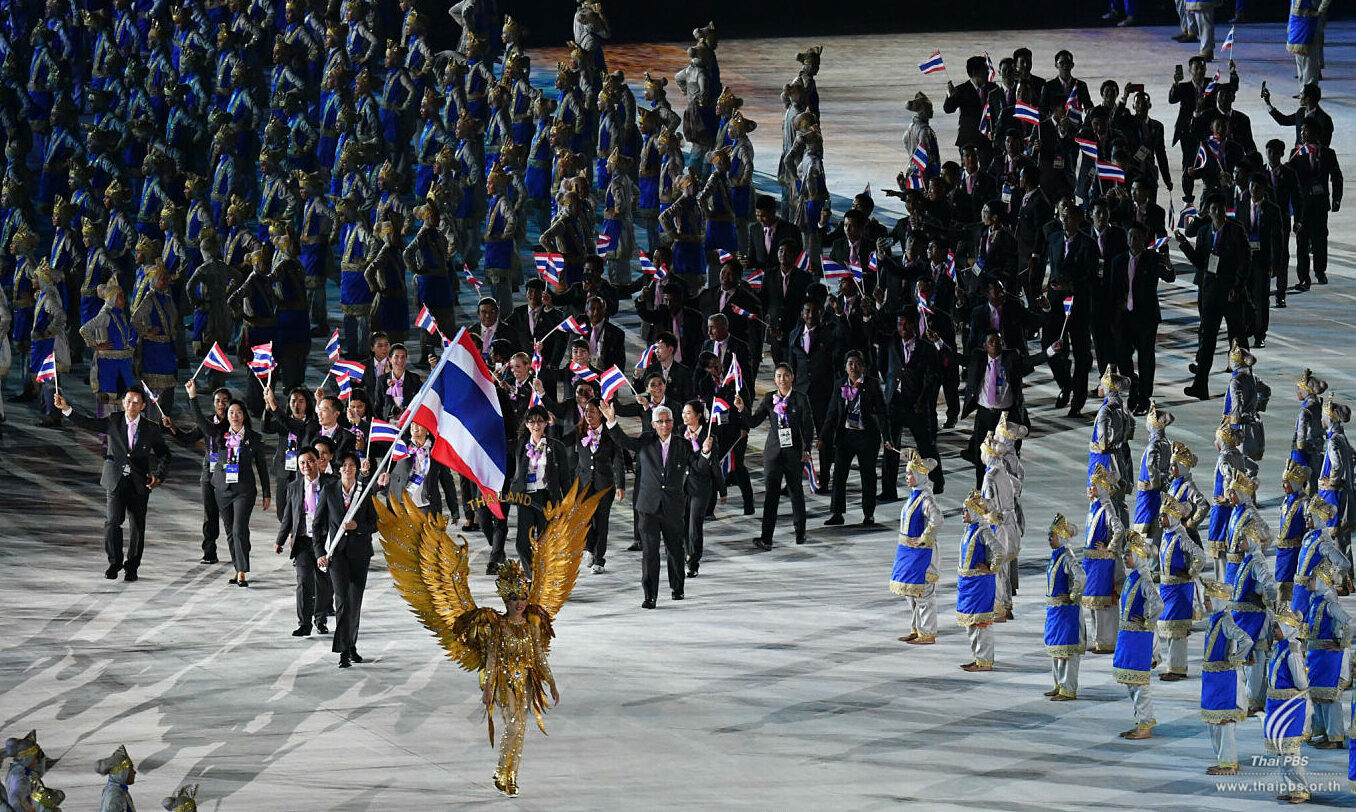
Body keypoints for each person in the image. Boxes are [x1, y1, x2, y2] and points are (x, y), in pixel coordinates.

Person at [601, 399, 712, 608]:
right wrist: (611, 421)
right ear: (653, 425)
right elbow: (624, 441)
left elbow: (698, 468)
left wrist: (705, 453)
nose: (664, 425)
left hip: (672, 506)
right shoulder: (645, 441)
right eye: (660, 422)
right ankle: (650, 595)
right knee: (650, 553)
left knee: (675, 550)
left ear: (673, 422)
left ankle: (677, 588)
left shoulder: (682, 444)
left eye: (668, 420)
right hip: (648, 507)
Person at [53, 389, 170, 582]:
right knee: (113, 522)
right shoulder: (113, 420)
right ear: (123, 402)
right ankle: (114, 563)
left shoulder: (150, 428)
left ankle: (132, 567)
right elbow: (88, 423)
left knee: (137, 527)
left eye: (136, 402)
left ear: (142, 406)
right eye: (128, 401)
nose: (131, 405)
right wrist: (67, 409)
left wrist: (159, 476)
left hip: (139, 483)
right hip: (115, 479)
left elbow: (164, 454)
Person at [479, 561, 560, 798]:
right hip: (505, 684)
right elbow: (492, 659)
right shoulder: (500, 627)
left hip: (525, 683)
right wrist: (487, 688)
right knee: (513, 727)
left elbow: (539, 657)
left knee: (520, 729)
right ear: (506, 601)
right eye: (514, 598)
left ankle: (511, 775)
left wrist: (552, 682)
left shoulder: (530, 628)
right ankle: (501, 772)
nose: (520, 603)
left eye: (523, 597)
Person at [188, 380, 270, 587]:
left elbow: (261, 467)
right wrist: (192, 397)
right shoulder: (219, 435)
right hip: (222, 489)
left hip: (244, 490)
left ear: (244, 416)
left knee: (239, 528)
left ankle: (242, 570)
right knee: (230, 531)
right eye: (231, 412)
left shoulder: (253, 438)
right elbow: (199, 420)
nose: (234, 415)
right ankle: (237, 566)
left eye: (238, 412)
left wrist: (267, 493)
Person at [1177, 194, 1251, 400]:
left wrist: (1238, 285)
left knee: (1238, 340)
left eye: (1220, 209)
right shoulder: (1204, 232)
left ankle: (1245, 384)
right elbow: (1200, 262)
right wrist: (1184, 246)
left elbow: (1245, 260)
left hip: (1231, 294)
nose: (1217, 213)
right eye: (1213, 210)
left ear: (1225, 210)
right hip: (1211, 294)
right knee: (1207, 340)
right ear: (1208, 213)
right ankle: (1200, 385)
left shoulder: (1236, 231)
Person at [737, 363, 815, 549]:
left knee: (796, 492)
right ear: (774, 379)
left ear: (792, 378)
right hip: (773, 453)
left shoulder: (801, 399)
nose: (782, 379)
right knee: (771, 495)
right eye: (779, 376)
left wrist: (807, 449)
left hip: (793, 452)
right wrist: (742, 410)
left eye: (786, 376)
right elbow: (754, 422)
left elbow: (808, 426)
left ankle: (800, 533)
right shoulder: (769, 398)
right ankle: (766, 538)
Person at [315, 451, 377, 669]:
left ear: (358, 469)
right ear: (339, 468)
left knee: (355, 601)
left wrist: (358, 527)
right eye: (345, 465)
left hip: (360, 554)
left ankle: (351, 645)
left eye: (352, 465)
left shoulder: (364, 493)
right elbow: (317, 525)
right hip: (337, 554)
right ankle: (343, 651)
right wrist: (319, 553)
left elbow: (374, 524)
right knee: (342, 600)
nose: (348, 469)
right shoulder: (329, 491)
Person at [1111, 223, 1175, 414]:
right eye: (1130, 236)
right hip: (1124, 317)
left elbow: (1169, 277)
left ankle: (1144, 397)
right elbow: (1113, 289)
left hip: (1146, 317)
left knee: (1146, 358)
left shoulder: (1152, 259)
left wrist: (1169, 265)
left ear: (1144, 240)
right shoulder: (1119, 260)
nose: (1133, 241)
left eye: (1137, 237)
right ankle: (1133, 385)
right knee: (1123, 356)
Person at [881, 309, 943, 498]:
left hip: (917, 404)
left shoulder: (926, 348)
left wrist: (923, 400)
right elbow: (883, 365)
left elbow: (932, 377)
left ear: (916, 325)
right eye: (900, 324)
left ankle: (937, 480)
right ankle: (888, 490)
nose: (903, 328)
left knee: (925, 444)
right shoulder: (892, 342)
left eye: (907, 324)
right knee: (890, 445)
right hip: (895, 401)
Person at [821, 351, 886, 527]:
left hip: (866, 437)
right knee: (839, 475)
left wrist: (886, 437)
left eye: (857, 363)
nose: (853, 367)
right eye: (850, 363)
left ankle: (869, 514)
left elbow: (881, 412)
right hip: (846, 436)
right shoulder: (840, 384)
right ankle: (837, 512)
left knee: (868, 476)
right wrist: (823, 436)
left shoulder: (872, 385)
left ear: (863, 367)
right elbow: (832, 413)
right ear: (845, 367)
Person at [275, 446, 334, 637]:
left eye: (309, 461)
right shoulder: (294, 487)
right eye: (302, 463)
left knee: (323, 583)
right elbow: (288, 516)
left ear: (318, 461)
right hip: (302, 540)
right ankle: (304, 623)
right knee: (303, 582)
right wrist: (280, 540)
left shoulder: (330, 484)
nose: (306, 466)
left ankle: (320, 619)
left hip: (323, 542)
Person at [891, 452, 944, 645]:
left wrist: (924, 537)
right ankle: (917, 628)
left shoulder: (925, 499)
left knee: (923, 593)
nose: (907, 478)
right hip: (908, 553)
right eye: (906, 474)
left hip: (922, 553)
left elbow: (937, 519)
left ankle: (928, 632)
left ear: (921, 476)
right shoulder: (915, 496)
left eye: (910, 474)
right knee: (910, 593)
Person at [1112, 534, 1162, 740]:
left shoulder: (1144, 579)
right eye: (1124, 553)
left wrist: (1147, 622)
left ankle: (1145, 725)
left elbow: (1158, 604)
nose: (1125, 556)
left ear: (1139, 555)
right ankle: (1140, 722)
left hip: (1138, 639)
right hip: (1128, 638)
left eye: (1128, 553)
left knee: (1140, 684)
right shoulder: (1134, 577)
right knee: (1132, 682)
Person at [511, 405, 568, 571]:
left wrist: (566, 503)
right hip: (526, 498)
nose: (536, 425)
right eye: (532, 421)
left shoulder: (556, 447)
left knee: (545, 543)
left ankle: (545, 579)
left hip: (547, 499)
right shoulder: (520, 446)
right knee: (522, 543)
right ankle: (532, 577)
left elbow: (565, 478)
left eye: (540, 421)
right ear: (527, 424)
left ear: (546, 423)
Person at [1288, 121, 1343, 291]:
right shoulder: (1296, 154)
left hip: (1320, 203)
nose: (1303, 134)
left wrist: (1336, 198)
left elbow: (1337, 176)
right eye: (1302, 131)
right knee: (1301, 240)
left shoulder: (1327, 153)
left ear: (1316, 133)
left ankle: (1320, 270)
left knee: (1320, 238)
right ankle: (1303, 276)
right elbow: (1289, 178)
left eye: (1306, 131)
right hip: (1303, 205)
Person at [1199, 600, 1252, 776]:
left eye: (1208, 599)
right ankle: (1223, 761)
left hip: (1223, 679)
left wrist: (1237, 658)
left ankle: (1229, 763)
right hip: (1213, 678)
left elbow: (1246, 640)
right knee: (1214, 721)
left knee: (1224, 722)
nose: (1205, 603)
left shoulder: (1225, 621)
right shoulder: (1216, 618)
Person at [574, 399, 624, 574]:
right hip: (584, 485)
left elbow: (618, 460)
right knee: (585, 519)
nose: (589, 415)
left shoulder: (611, 434)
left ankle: (600, 559)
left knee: (601, 522)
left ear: (601, 414)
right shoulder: (579, 431)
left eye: (593, 411)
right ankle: (589, 547)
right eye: (587, 411)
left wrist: (620, 485)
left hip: (604, 485)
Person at [1157, 495, 1204, 680]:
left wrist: (1191, 572)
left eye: (1164, 516)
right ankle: (1172, 666)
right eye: (1160, 516)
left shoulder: (1181, 536)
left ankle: (1177, 669)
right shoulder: (1166, 535)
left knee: (1177, 632)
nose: (1160, 519)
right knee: (1169, 629)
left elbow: (1200, 555)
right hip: (1167, 588)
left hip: (1179, 589)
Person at [1263, 623, 1310, 799]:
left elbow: (1301, 682)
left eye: (1277, 628)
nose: (1273, 631)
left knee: (1291, 750)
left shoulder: (1292, 649)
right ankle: (1290, 787)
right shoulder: (1280, 646)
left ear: (1287, 627)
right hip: (1277, 704)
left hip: (1289, 706)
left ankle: (1301, 789)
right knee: (1281, 749)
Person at [1083, 464, 1125, 653]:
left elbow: (1118, 529)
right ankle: (1099, 639)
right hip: (1093, 563)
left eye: (1094, 485)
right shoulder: (1096, 505)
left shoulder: (1106, 506)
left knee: (1103, 604)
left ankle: (1107, 640)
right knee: (1094, 603)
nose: (1091, 488)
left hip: (1102, 563)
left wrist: (1110, 548)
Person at [956, 490, 1000, 672]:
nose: (963, 514)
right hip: (968, 585)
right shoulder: (970, 530)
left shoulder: (983, 531)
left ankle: (985, 660)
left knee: (981, 623)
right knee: (972, 622)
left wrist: (991, 568)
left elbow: (999, 551)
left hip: (980, 584)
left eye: (966, 511)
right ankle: (978, 657)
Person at [1305, 581, 1350, 749]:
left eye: (1312, 579)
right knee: (1317, 695)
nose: (1308, 582)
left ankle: (1335, 738)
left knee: (1329, 697)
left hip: (1328, 656)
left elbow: (1346, 621)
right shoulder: (1314, 601)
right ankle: (1325, 733)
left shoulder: (1329, 605)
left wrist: (1341, 643)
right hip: (1316, 655)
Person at [1045, 514, 1085, 700]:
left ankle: (1068, 689)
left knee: (1068, 651)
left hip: (1066, 612)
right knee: (1057, 648)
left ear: (1060, 537)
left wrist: (1073, 596)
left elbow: (1081, 576)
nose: (1049, 538)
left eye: (1052, 535)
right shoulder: (1057, 555)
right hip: (1055, 611)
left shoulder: (1067, 556)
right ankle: (1059, 685)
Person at [680, 399, 720, 578]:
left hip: (700, 488)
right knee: (682, 522)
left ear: (698, 416)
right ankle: (686, 553)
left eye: (688, 413)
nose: (684, 416)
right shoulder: (681, 433)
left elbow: (708, 468)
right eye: (683, 413)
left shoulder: (709, 437)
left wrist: (705, 453)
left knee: (694, 524)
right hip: (681, 486)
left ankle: (693, 561)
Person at [380, 422, 445, 517]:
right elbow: (380, 446)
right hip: (401, 505)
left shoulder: (437, 450)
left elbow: (447, 480)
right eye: (413, 424)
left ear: (428, 429)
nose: (415, 427)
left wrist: (454, 510)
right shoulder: (401, 444)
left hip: (426, 506)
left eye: (419, 424)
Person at [95, 745, 137, 812]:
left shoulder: (119, 791)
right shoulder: (115, 796)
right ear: (122, 772)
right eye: (131, 769)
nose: (134, 772)